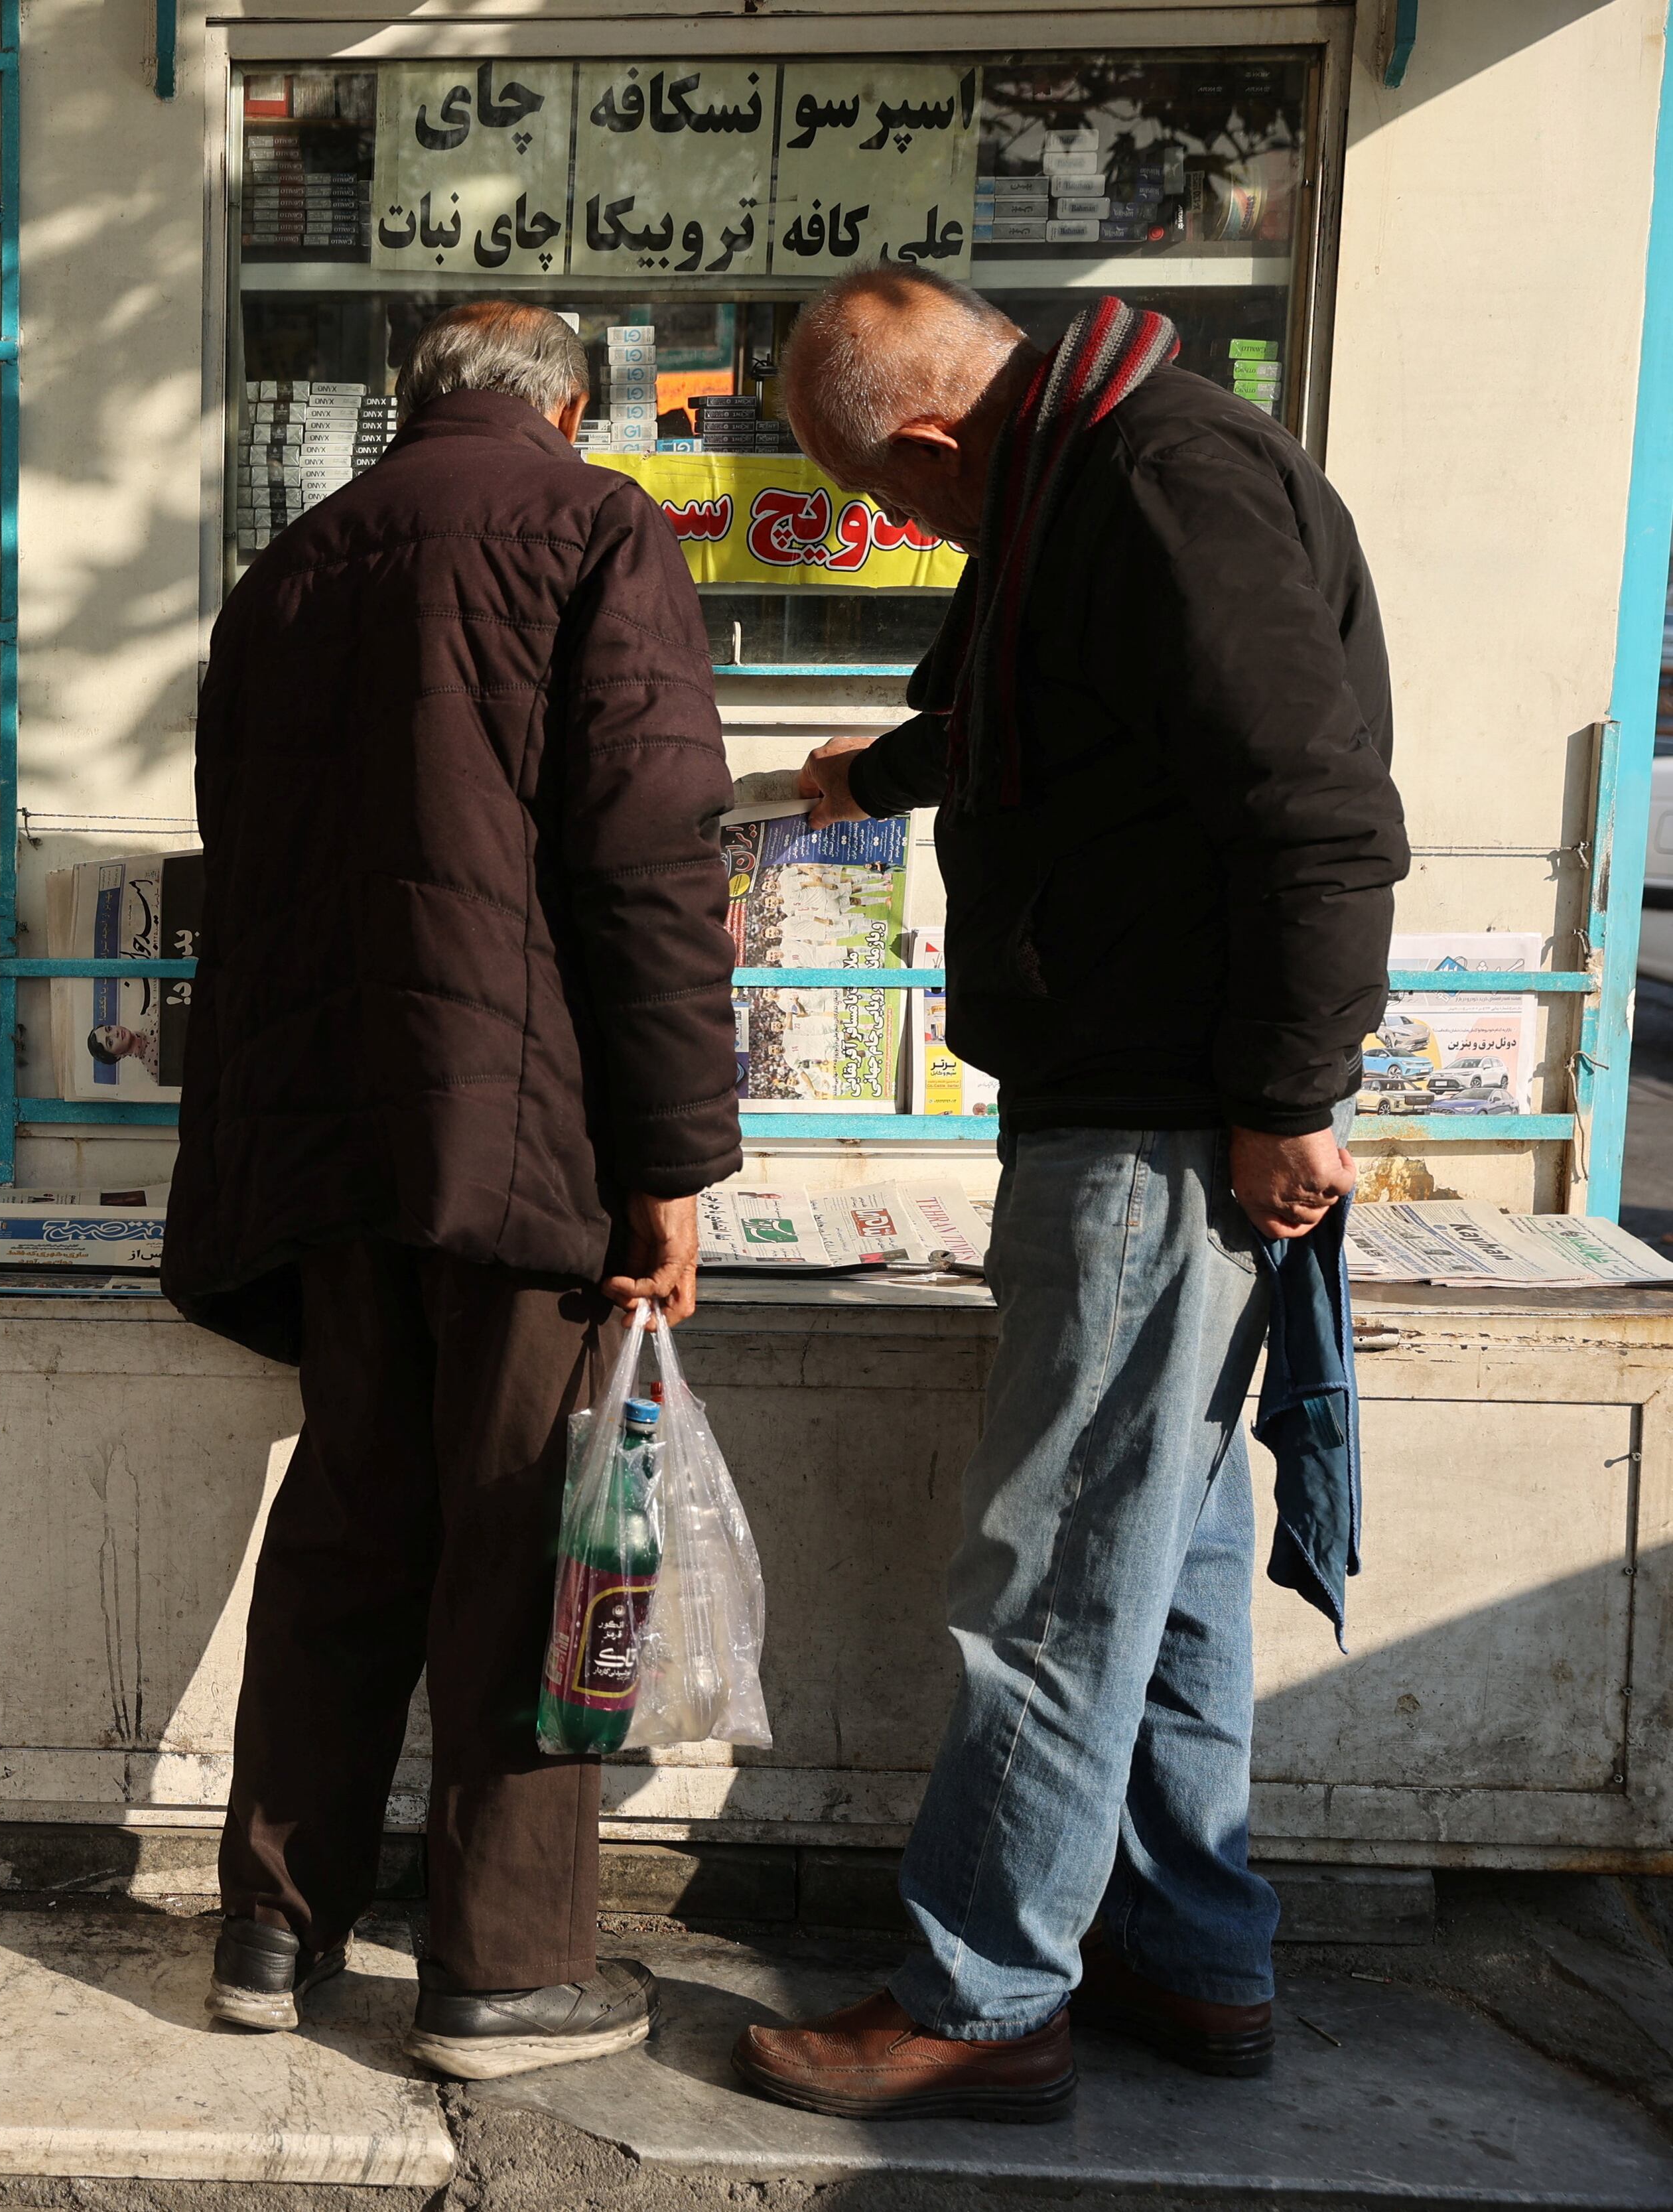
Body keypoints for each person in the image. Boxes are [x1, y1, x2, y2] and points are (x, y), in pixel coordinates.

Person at [732, 269, 1405, 2122]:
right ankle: (1194, 1952)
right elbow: (1037, 712)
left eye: (892, 497)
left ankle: (986, 1986)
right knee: (1162, 1556)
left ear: (940, 439)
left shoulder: (1157, 481)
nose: (901, 530)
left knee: (1053, 1570)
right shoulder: (1074, 483)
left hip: (1166, 1120)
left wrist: (1288, 1093)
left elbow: (1318, 807)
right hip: (1137, 1102)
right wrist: (868, 772)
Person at [163, 299, 743, 2081]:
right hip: (522, 1138)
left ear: (414, 406)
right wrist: (672, 1162)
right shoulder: (593, 524)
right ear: (570, 405)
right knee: (528, 1538)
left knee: (349, 1520)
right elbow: (649, 854)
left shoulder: (294, 566)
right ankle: (499, 1969)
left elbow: (239, 858)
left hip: (337, 1139)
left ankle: (270, 1922)